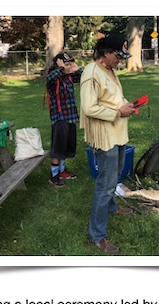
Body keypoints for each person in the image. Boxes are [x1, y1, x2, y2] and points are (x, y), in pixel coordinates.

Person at [80, 33, 136, 255]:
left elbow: (113, 97)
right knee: (105, 185)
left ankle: (112, 207)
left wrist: (125, 105)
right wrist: (118, 111)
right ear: (106, 53)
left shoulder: (109, 70)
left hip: (117, 132)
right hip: (105, 137)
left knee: (116, 174)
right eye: (117, 56)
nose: (120, 60)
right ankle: (97, 236)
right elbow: (89, 107)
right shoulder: (91, 73)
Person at [45, 52, 83, 187]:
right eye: (65, 64)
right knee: (58, 147)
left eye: (69, 64)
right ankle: (54, 175)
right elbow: (49, 78)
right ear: (58, 65)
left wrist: (74, 66)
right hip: (59, 118)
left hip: (70, 117)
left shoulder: (69, 77)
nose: (68, 67)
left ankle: (62, 170)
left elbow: (81, 75)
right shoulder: (54, 78)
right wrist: (61, 68)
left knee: (66, 145)